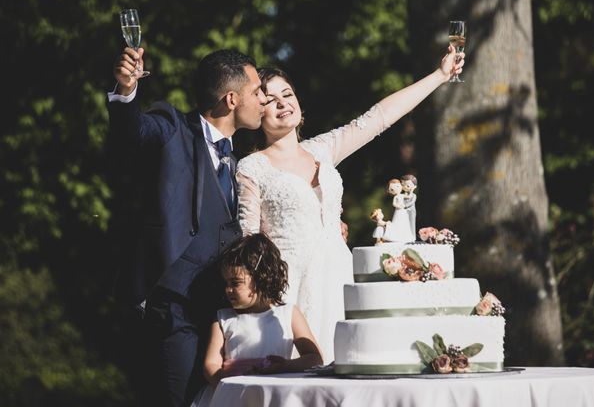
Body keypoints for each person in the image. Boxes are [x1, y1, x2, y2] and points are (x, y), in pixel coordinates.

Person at [235, 46, 464, 361]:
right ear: (257, 113)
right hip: (286, 287)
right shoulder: (251, 168)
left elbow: (378, 117)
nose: (282, 103)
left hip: (338, 277)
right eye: (270, 99)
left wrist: (440, 75)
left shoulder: (323, 150)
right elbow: (247, 242)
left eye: (287, 94)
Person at [107, 46, 266, 407]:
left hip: (225, 314)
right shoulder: (172, 129)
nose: (263, 99)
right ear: (231, 98)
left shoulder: (242, 164)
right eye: (256, 91)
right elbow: (133, 131)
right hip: (174, 311)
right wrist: (126, 92)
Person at [191, 233, 322, 405]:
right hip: (232, 396)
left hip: (273, 395)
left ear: (261, 278)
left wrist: (284, 366)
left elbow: (314, 357)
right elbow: (211, 363)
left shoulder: (288, 314)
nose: (228, 290)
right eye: (226, 283)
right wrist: (226, 385)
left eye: (235, 283)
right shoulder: (223, 318)